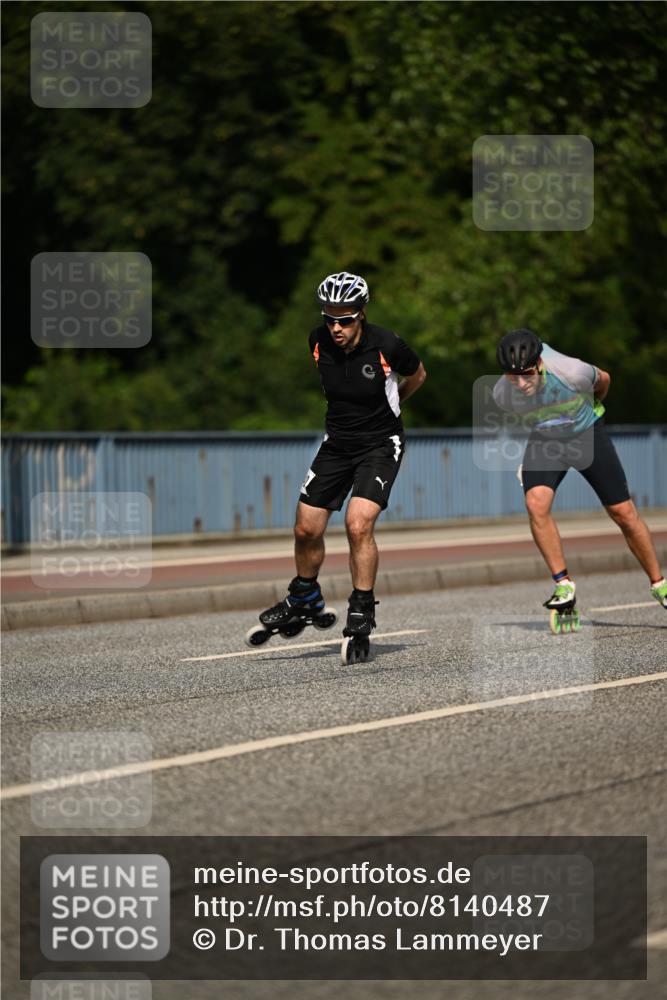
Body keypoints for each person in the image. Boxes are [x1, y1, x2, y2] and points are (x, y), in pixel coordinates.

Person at [259, 271, 426, 645]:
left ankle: (362, 606)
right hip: (337, 444)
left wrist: (395, 402)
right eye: (329, 317)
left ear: (361, 314)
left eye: (345, 319)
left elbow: (418, 375)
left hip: (380, 444)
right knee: (305, 527)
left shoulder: (387, 344)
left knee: (358, 523)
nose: (336, 326)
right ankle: (304, 596)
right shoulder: (317, 342)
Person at [493, 328, 667, 612]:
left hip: (587, 432)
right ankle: (564, 584)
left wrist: (588, 410)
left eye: (527, 374)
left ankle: (659, 583)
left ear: (538, 364)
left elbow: (604, 382)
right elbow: (527, 412)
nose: (521, 383)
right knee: (535, 504)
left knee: (622, 512)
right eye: (514, 376)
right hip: (547, 438)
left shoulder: (571, 371)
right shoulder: (502, 392)